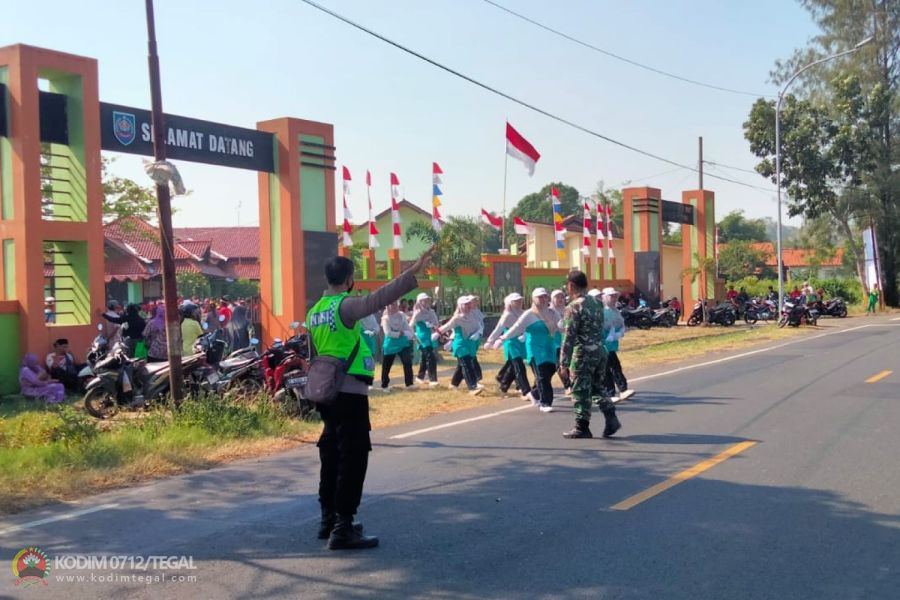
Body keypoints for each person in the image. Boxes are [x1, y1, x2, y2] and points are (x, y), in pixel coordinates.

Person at [307, 247, 434, 550]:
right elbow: (380, 298)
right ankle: (344, 526)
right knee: (353, 455)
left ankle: (328, 518)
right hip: (349, 392)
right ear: (350, 278)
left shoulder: (314, 312)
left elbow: (313, 354)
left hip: (325, 392)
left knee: (331, 451)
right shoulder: (345, 305)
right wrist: (412, 270)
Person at [559, 271, 620, 439]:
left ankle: (582, 427)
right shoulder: (597, 303)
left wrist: (563, 363)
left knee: (579, 389)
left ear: (571, 286)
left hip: (583, 353)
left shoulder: (574, 306)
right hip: (600, 350)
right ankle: (610, 416)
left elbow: (568, 336)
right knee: (596, 386)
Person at [497, 288, 559, 412]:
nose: (542, 299)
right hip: (535, 349)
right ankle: (545, 403)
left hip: (549, 347)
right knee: (542, 375)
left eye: (544, 296)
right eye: (539, 297)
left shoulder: (552, 312)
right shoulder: (529, 314)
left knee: (550, 371)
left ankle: (535, 393)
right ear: (533, 299)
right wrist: (503, 338)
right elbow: (516, 327)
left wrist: (564, 326)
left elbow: (560, 325)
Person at [485, 292, 531, 399]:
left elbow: (528, 326)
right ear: (511, 303)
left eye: (520, 300)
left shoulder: (524, 313)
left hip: (521, 342)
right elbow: (499, 328)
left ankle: (503, 385)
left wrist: (524, 334)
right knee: (519, 367)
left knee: (512, 365)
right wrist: (490, 341)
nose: (519, 302)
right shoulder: (507, 315)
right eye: (516, 301)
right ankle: (525, 391)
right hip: (511, 342)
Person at [438, 296, 484, 395]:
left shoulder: (473, 316)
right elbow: (447, 327)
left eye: (469, 304)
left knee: (462, 365)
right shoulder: (457, 318)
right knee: (467, 364)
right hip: (460, 344)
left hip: (470, 344)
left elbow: (479, 327)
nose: (468, 306)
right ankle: (472, 387)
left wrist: (478, 334)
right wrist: (436, 333)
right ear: (460, 306)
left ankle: (454, 384)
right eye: (465, 304)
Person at [597, 287, 631, 401]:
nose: (614, 298)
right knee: (609, 368)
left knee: (614, 366)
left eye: (615, 296)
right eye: (611, 296)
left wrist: (619, 332)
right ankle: (612, 392)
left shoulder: (615, 310)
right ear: (605, 297)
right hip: (603, 344)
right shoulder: (602, 311)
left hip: (611, 344)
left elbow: (621, 323)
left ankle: (621, 390)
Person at [380, 300, 415, 390]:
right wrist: (399, 333)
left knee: (407, 361)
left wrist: (412, 335)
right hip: (390, 344)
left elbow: (407, 327)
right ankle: (384, 385)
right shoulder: (385, 318)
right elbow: (387, 333)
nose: (394, 306)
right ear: (387, 306)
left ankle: (409, 384)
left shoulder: (402, 315)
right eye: (392, 304)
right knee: (387, 366)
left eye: (395, 304)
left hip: (402, 343)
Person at [410, 293, 440, 386]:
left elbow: (436, 324)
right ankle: (433, 380)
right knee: (431, 357)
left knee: (424, 357)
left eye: (428, 300)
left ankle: (420, 377)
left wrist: (432, 325)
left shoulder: (431, 312)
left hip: (431, 337)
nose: (427, 301)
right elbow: (410, 325)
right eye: (424, 300)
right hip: (422, 338)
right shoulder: (417, 313)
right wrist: (414, 336)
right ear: (419, 302)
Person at [550, 289, 571, 392]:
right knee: (560, 363)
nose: (560, 299)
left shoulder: (567, 310)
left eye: (561, 297)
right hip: (555, 342)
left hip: (567, 341)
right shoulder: (549, 311)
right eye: (557, 297)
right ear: (552, 299)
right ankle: (568, 386)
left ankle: (537, 387)